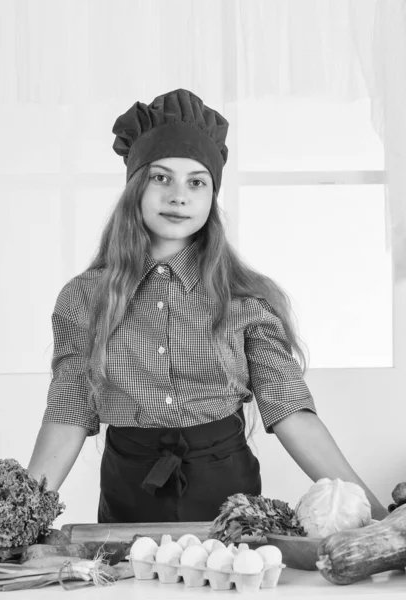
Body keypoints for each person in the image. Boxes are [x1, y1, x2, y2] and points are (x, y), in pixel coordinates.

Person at [28, 89, 388, 523]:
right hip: (127, 492)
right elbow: (68, 412)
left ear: (211, 196)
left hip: (228, 494)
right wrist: (23, 514)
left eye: (196, 182)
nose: (179, 196)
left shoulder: (247, 298)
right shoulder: (84, 297)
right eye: (161, 178)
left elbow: (291, 411)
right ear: (135, 187)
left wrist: (378, 516)